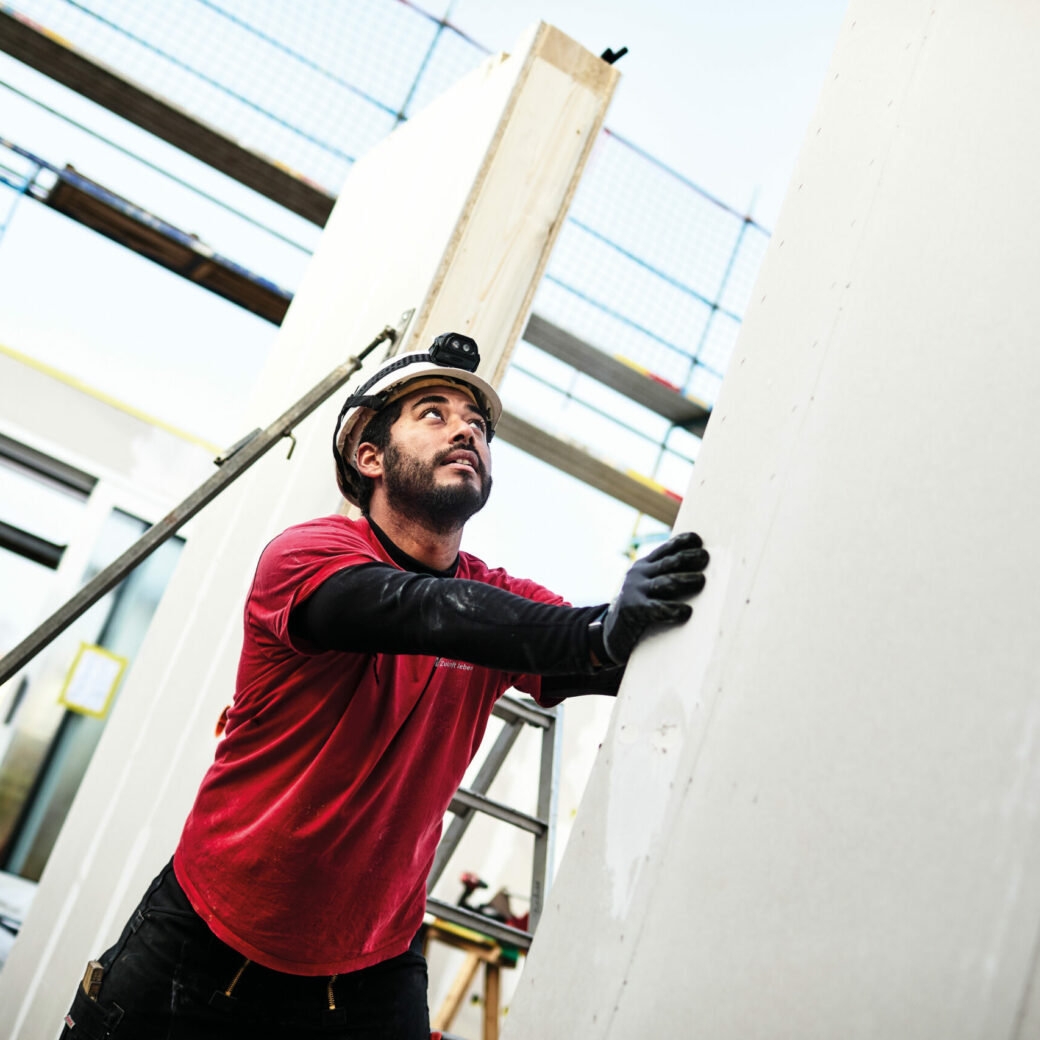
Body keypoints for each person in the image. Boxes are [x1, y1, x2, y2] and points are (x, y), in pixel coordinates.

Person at [59, 333, 709, 1039]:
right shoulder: (309, 556)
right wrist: (593, 630)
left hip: (369, 972)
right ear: (369, 458)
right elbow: (419, 612)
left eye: (479, 425)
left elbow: (614, 661)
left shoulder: (496, 595)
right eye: (434, 412)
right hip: (206, 949)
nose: (467, 429)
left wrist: (667, 623)